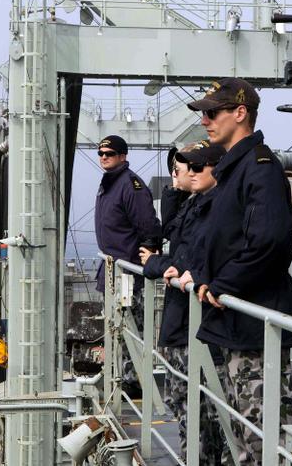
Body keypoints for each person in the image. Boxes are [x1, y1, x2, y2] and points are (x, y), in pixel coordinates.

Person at [182, 78, 292, 465]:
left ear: (240, 113)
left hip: (255, 324)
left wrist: (223, 283)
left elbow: (269, 241)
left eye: (212, 112)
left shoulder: (260, 168)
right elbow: (225, 239)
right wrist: (208, 278)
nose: (205, 121)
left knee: (266, 438)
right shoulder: (235, 170)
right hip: (237, 321)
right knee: (244, 433)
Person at [141, 141, 229, 465]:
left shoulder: (215, 207)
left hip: (198, 325)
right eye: (183, 168)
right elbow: (173, 236)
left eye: (194, 166)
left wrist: (157, 263)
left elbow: (187, 257)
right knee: (184, 403)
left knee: (202, 411)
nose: (187, 173)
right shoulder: (194, 204)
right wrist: (176, 189)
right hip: (182, 322)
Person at [93, 134, 161, 397]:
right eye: (101, 153)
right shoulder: (110, 183)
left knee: (132, 328)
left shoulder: (131, 185)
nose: (104, 157)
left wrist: (146, 257)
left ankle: (135, 381)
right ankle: (120, 376)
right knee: (116, 327)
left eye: (109, 153)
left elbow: (148, 227)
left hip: (128, 272)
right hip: (112, 270)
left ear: (122, 156)